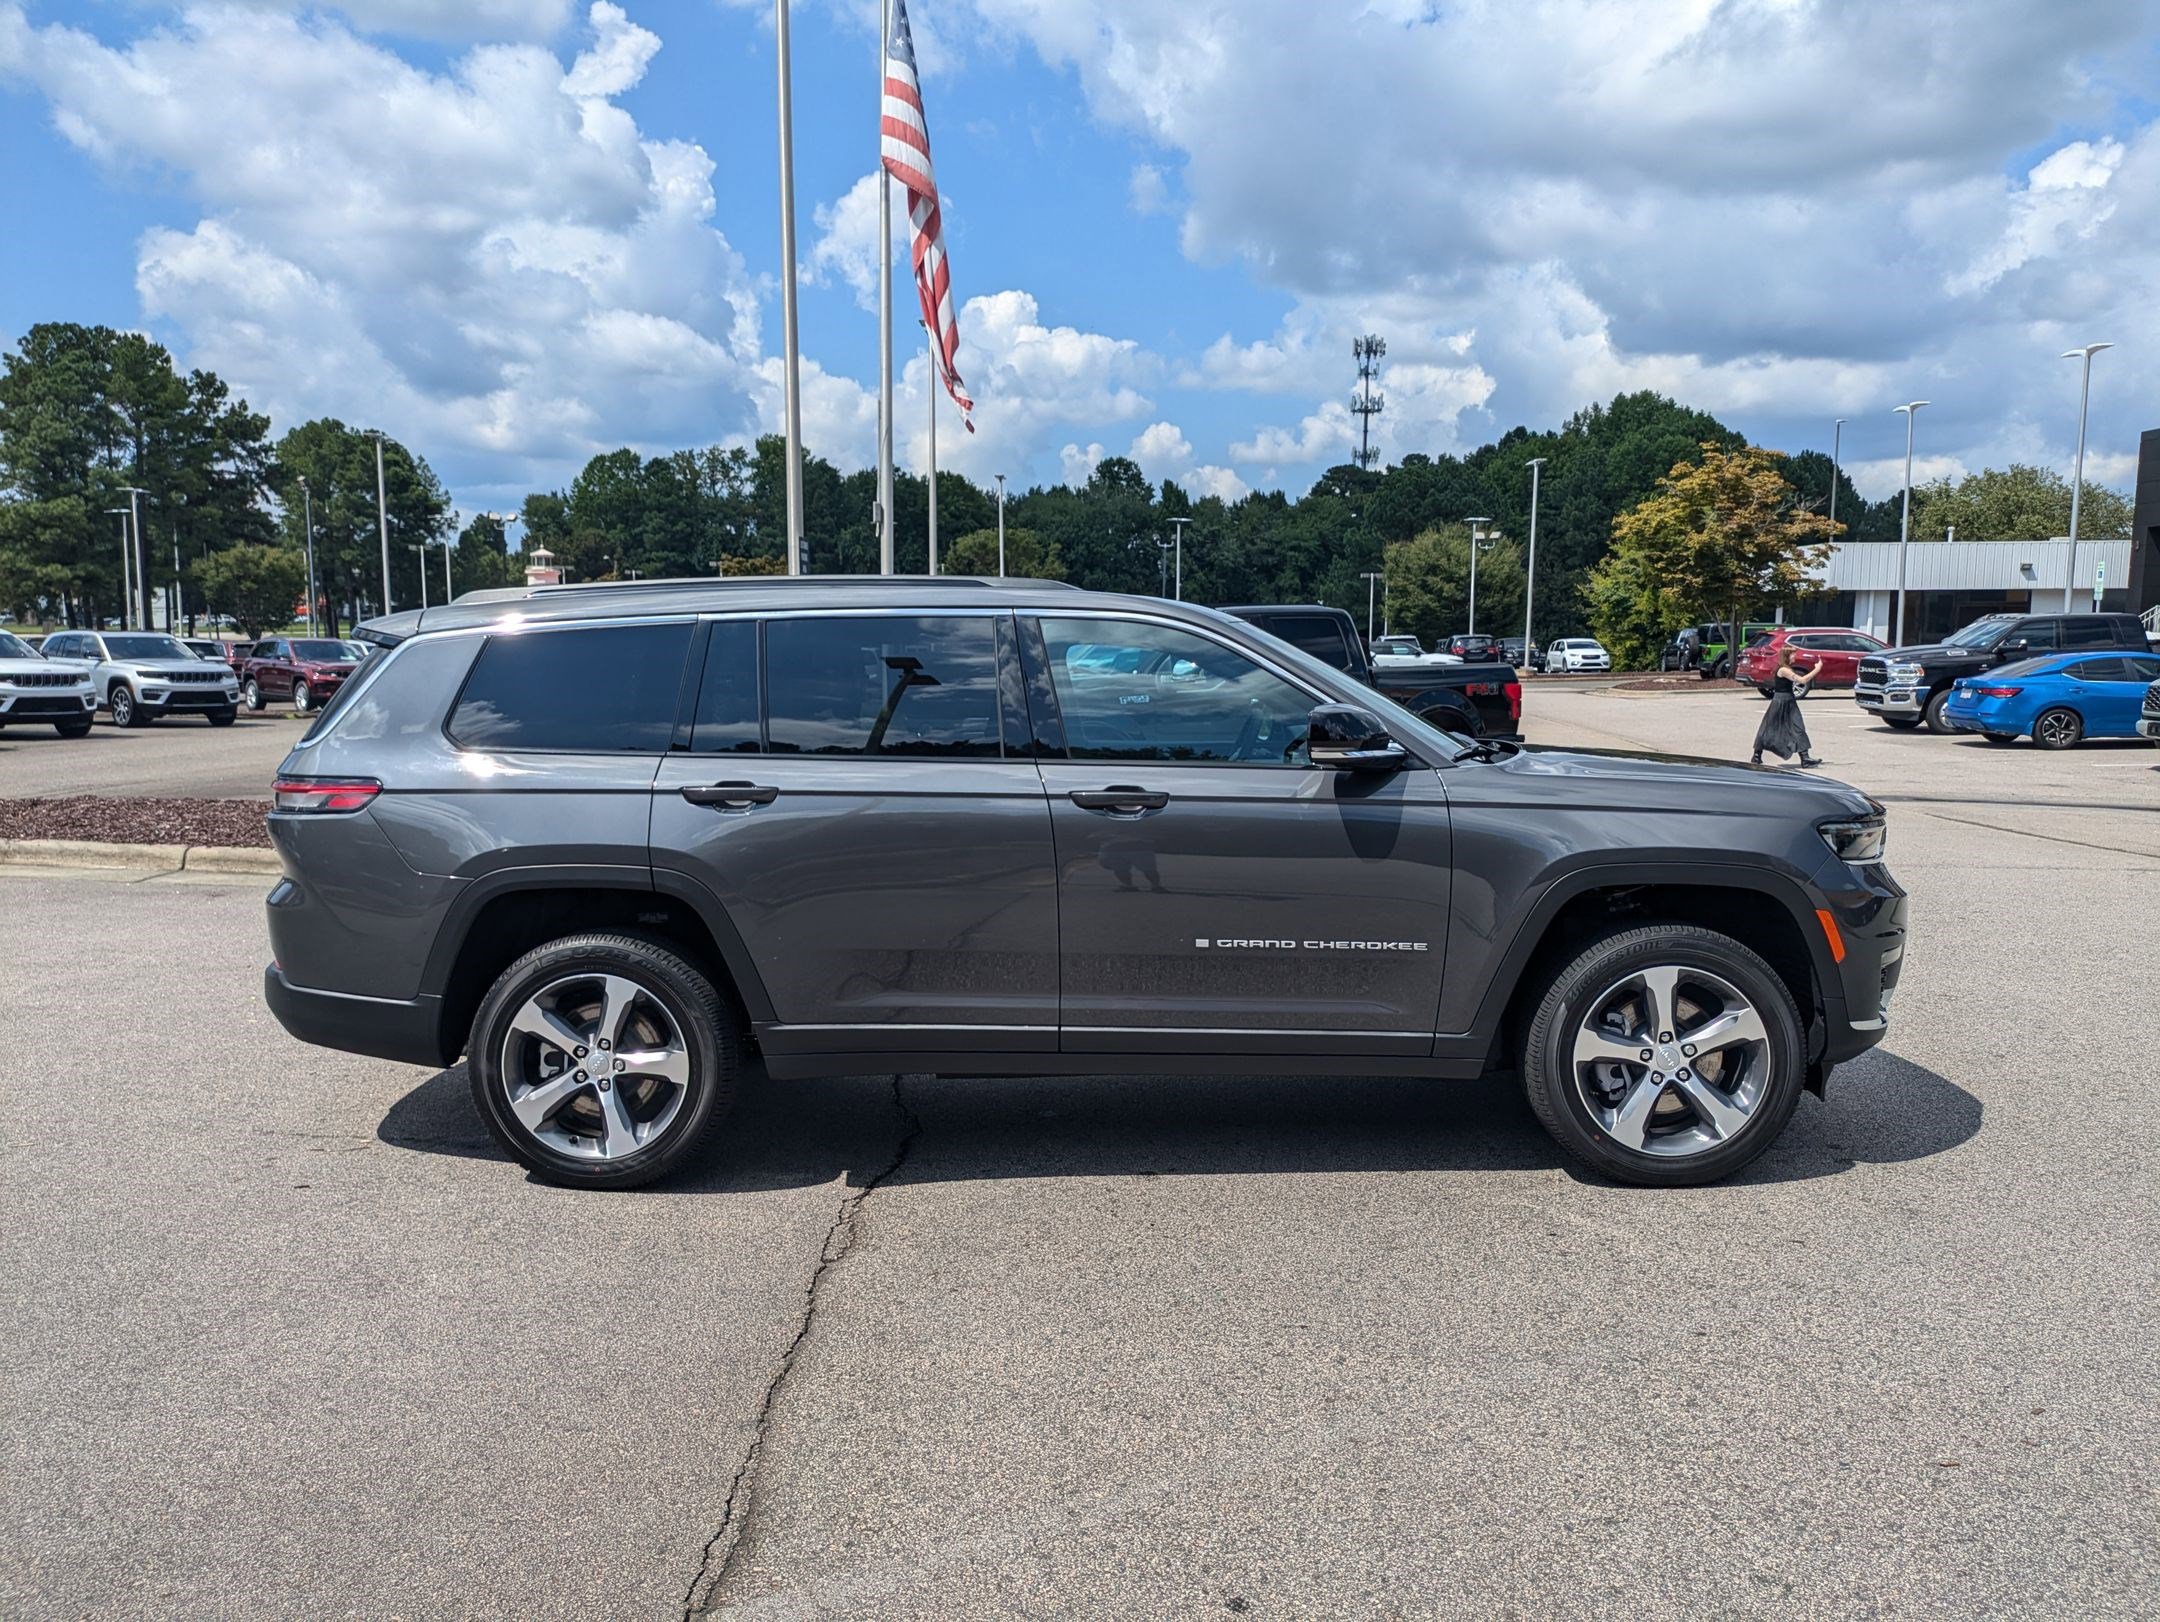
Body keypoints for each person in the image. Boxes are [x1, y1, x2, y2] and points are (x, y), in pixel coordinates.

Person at [1752, 648, 1823, 767]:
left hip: (1790, 700)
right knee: (1769, 728)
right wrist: (1817, 669)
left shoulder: (1788, 668)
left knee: (1798, 726)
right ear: (1786, 656)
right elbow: (1803, 680)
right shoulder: (1783, 670)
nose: (1794, 657)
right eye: (1793, 655)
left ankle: (1805, 758)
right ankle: (1756, 756)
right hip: (1780, 700)